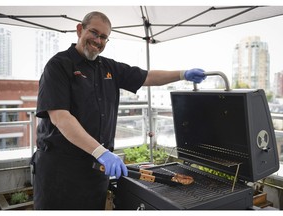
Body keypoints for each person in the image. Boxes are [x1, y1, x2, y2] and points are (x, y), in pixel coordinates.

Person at [31, 11, 206, 210]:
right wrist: (101, 152)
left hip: (95, 170)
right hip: (60, 170)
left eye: (104, 37)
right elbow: (61, 118)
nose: (98, 40)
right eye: (94, 33)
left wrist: (183, 74)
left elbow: (148, 77)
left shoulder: (109, 67)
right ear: (79, 30)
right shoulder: (58, 65)